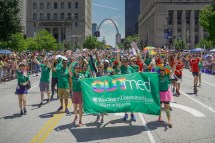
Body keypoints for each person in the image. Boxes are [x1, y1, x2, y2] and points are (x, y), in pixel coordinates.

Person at [158, 53, 178, 128]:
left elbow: (172, 70)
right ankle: (159, 117)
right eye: (161, 70)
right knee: (159, 107)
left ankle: (169, 120)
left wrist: (175, 64)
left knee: (166, 107)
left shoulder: (167, 75)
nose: (162, 71)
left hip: (166, 93)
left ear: (165, 71)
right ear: (159, 71)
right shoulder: (157, 76)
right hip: (159, 93)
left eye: (163, 70)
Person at [116, 48, 136, 122]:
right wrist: (118, 53)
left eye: (126, 61)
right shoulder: (122, 67)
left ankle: (132, 114)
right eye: (123, 61)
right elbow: (118, 61)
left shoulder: (131, 68)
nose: (124, 63)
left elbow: (135, 76)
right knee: (125, 101)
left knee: (131, 101)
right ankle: (125, 114)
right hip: (123, 87)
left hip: (130, 87)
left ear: (128, 62)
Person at [69, 60, 84, 126]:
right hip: (74, 93)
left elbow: (85, 83)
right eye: (76, 68)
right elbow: (69, 68)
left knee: (80, 108)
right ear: (74, 69)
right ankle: (76, 115)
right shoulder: (73, 75)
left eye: (78, 68)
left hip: (80, 93)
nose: (77, 69)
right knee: (75, 108)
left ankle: (80, 121)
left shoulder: (82, 75)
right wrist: (73, 61)